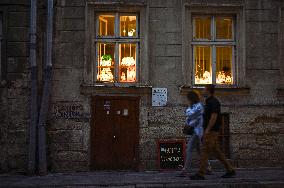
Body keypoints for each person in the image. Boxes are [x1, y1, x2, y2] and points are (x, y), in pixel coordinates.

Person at [190, 84, 236, 180]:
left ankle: (201, 173)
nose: (202, 91)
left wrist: (207, 129)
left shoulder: (214, 102)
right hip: (210, 131)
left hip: (211, 131)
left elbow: (214, 116)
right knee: (217, 152)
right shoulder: (208, 101)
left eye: (204, 89)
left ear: (208, 91)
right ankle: (230, 170)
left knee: (204, 151)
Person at [178, 90, 212, 177]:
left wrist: (189, 124)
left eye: (188, 99)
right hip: (195, 131)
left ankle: (185, 170)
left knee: (189, 150)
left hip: (197, 131)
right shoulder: (195, 106)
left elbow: (194, 118)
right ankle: (208, 167)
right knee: (199, 151)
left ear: (191, 99)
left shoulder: (199, 107)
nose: (187, 100)